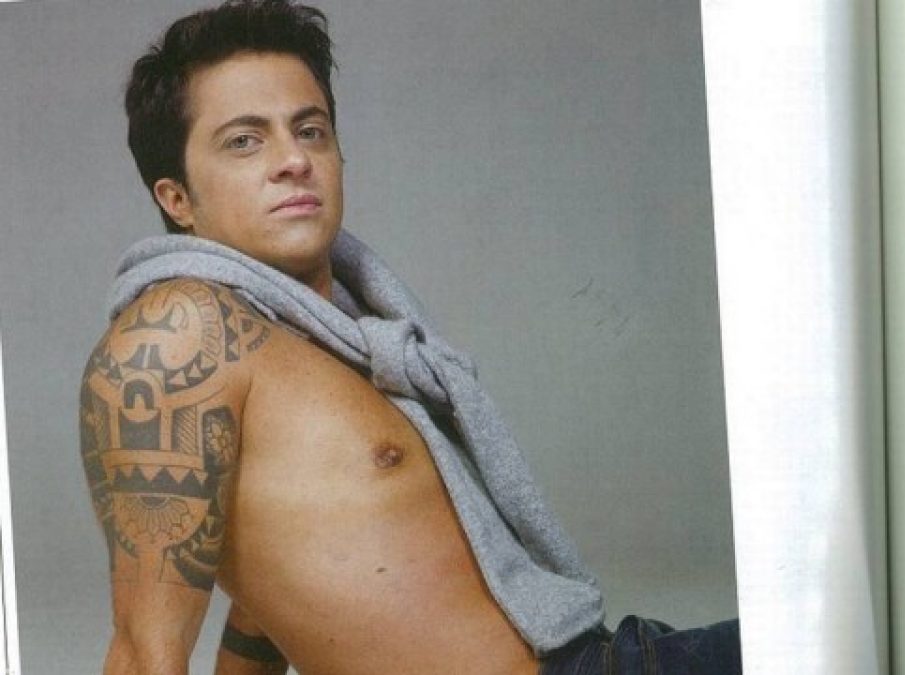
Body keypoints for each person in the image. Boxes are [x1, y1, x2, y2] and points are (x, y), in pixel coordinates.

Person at [78, 1, 740, 673]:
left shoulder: (336, 334)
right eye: (244, 141)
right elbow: (143, 651)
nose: (293, 160)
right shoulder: (177, 333)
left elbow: (286, 586)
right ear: (177, 198)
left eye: (310, 130)